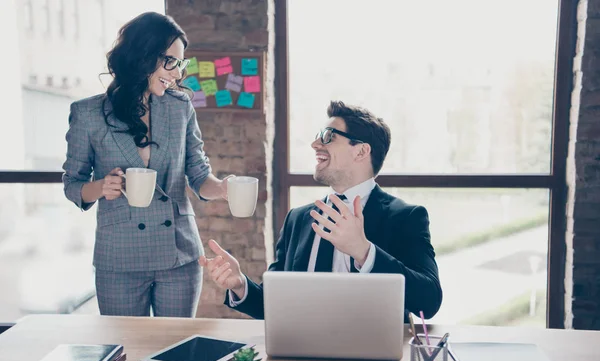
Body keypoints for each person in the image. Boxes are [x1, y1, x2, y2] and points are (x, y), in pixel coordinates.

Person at [201, 101, 443, 320]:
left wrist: (363, 251)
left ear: (361, 151)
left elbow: (429, 301)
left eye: (328, 136)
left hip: (373, 360)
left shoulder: (406, 217)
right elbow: (274, 305)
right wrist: (240, 284)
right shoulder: (298, 219)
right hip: (299, 356)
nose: (315, 144)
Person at [62, 12, 229, 317]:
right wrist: (102, 187)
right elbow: (73, 185)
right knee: (125, 352)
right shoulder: (88, 113)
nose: (177, 74)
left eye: (181, 64)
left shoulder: (180, 108)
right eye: (171, 62)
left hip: (178, 254)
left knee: (175, 352)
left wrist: (222, 189)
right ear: (143, 55)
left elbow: (198, 172)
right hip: (119, 258)